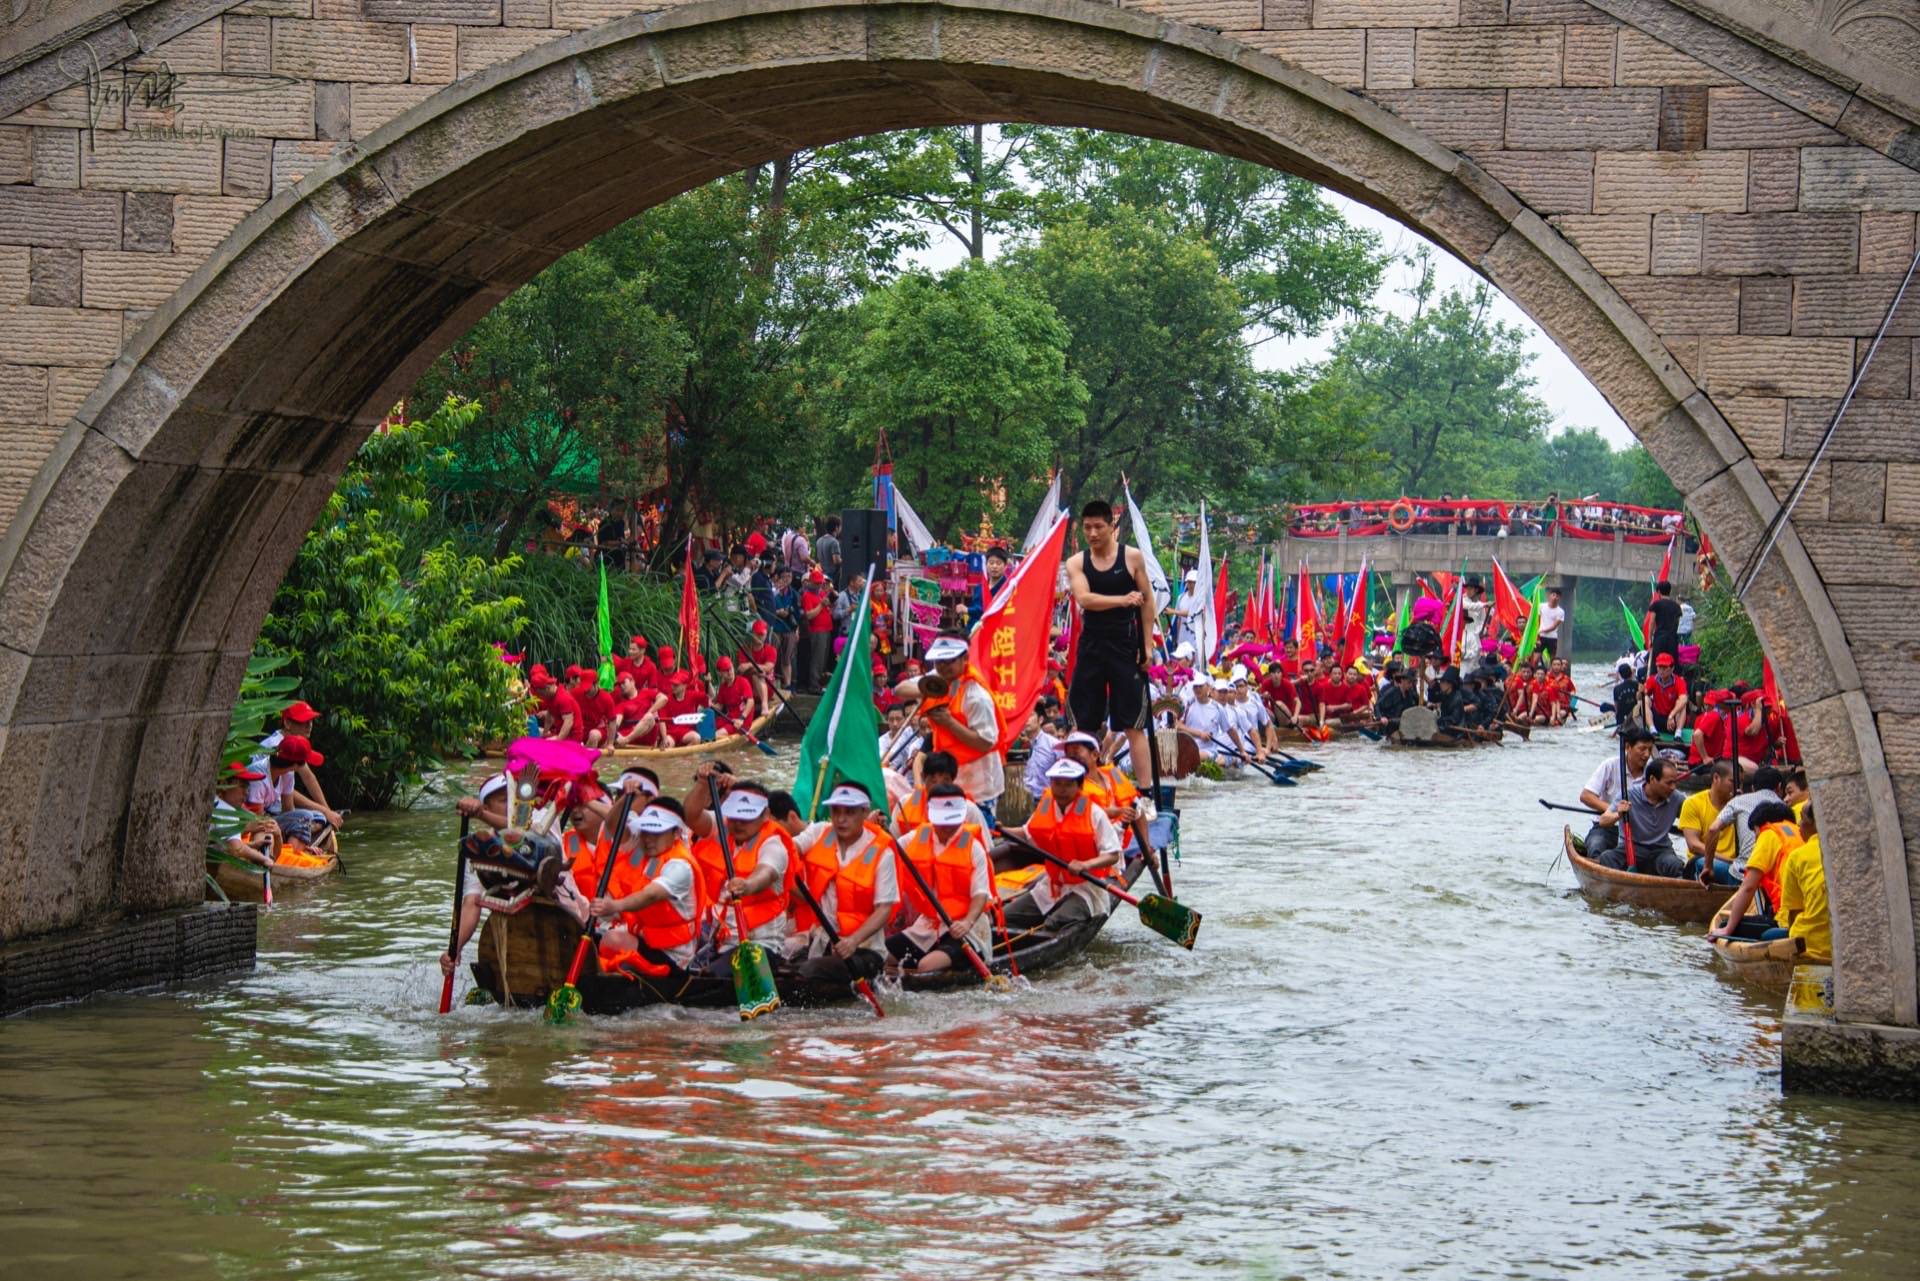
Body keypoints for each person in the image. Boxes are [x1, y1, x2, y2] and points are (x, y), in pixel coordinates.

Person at [1063, 500, 1159, 792]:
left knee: (1133, 725)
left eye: (1098, 527)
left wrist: (1148, 646)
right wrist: (1122, 600)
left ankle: (1144, 792)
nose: (1092, 533)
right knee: (1083, 725)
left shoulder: (1132, 558)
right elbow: (1085, 599)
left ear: (1111, 527)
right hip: (1092, 647)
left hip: (1125, 647)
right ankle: (1077, 787)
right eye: (1087, 528)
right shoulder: (1077, 562)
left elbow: (1147, 603)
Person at [787, 781, 898, 986]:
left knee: (807, 974)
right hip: (822, 942)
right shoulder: (819, 832)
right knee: (785, 966)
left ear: (865, 812)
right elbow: (787, 847)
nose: (841, 819)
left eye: (849, 812)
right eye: (836, 811)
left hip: (864, 950)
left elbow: (884, 909)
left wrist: (853, 941)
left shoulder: (882, 853)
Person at [582, 798, 708, 978]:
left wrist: (615, 906)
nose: (648, 839)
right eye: (646, 831)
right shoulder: (645, 849)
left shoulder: (679, 866)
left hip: (673, 957)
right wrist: (621, 797)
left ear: (676, 833)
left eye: (657, 832)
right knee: (591, 938)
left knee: (611, 940)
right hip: (646, 939)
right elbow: (613, 822)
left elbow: (651, 895)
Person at [896, 635, 1004, 822]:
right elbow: (900, 690)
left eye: (949, 660)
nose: (944, 666)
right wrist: (929, 689)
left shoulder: (977, 696)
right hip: (948, 779)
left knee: (973, 837)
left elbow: (986, 743)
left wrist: (950, 723)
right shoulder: (937, 678)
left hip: (978, 785)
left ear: (965, 659)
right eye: (939, 660)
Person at [1002, 759, 1122, 926]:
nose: (1062, 790)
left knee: (1054, 923)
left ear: (1079, 787)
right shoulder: (1046, 807)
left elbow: (1112, 854)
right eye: (1057, 784)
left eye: (1068, 784)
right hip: (1052, 885)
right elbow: (1026, 832)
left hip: (1086, 887)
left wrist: (1085, 865)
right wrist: (1002, 829)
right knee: (1004, 916)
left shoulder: (1094, 813)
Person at [888, 786, 993, 975]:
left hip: (966, 926)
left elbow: (981, 895)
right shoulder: (914, 839)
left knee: (925, 967)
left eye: (952, 820)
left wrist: (967, 923)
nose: (947, 827)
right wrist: (873, 826)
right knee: (883, 956)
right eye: (942, 821)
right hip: (929, 924)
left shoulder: (974, 848)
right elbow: (887, 848)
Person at [709, 782, 799, 962]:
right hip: (725, 939)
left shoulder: (774, 845)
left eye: (747, 817)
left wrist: (747, 885)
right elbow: (692, 815)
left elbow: (766, 872)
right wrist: (704, 784)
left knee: (718, 975)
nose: (738, 823)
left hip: (762, 945)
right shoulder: (723, 832)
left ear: (765, 815)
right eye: (734, 817)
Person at [1705, 800, 1800, 942]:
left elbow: (1748, 887)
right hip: (1806, 919)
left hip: (1788, 922)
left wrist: (1728, 929)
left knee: (1724, 925)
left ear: (1761, 825)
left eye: (1755, 832)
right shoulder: (1800, 832)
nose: (1756, 839)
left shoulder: (1769, 833)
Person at [1588, 756, 1688, 877]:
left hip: (1660, 851)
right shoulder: (1628, 795)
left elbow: (1691, 818)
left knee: (1676, 865)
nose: (1673, 787)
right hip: (1631, 848)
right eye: (1669, 783)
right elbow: (1603, 821)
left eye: (1675, 782)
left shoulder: (1677, 798)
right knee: (1607, 858)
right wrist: (1618, 814)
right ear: (1652, 779)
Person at [1578, 726, 1657, 862]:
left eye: (1650, 750)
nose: (1646, 755)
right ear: (1628, 747)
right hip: (1607, 827)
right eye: (1642, 749)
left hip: (1639, 832)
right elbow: (1586, 796)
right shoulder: (1610, 765)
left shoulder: (1653, 772)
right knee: (1596, 846)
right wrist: (1613, 810)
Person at [1700, 765, 1785, 876]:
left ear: (1753, 787)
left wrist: (1708, 867)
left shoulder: (1738, 801)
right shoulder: (1786, 808)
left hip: (1742, 873)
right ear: (1779, 787)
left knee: (1697, 863)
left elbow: (1713, 829)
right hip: (1776, 875)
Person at [1777, 803, 1829, 962]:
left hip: (1809, 945)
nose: (1799, 824)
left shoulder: (1798, 856)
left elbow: (1793, 912)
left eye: (1803, 818)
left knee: (1768, 935)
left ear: (1816, 822)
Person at [891, 749, 988, 832]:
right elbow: (894, 843)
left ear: (953, 780)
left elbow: (986, 850)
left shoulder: (968, 810)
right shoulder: (905, 803)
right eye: (933, 780)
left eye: (945, 781)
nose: (938, 786)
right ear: (923, 777)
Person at [1679, 760, 1740, 884]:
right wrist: (1728, 860)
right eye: (1733, 782)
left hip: (1734, 864)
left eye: (1741, 783)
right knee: (1732, 872)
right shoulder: (1693, 803)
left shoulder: (1740, 805)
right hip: (1702, 861)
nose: (1737, 787)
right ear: (1716, 778)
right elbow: (1694, 845)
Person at [799, 568, 834, 693]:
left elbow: (828, 607)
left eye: (821, 583)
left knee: (823, 658)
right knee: (817, 659)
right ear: (811, 582)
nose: (819, 585)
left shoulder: (821, 593)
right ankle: (813, 685)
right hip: (817, 630)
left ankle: (820, 683)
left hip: (826, 629)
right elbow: (809, 615)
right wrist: (821, 605)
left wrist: (829, 604)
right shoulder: (807, 595)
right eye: (817, 583)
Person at [1640, 652, 1689, 735]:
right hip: (1657, 718)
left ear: (1672, 668)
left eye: (1665, 667)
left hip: (1672, 720)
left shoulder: (1679, 681)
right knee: (1645, 699)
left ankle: (1678, 733)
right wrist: (1640, 691)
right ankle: (1652, 729)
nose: (1662, 670)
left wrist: (1671, 715)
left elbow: (1684, 699)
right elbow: (1639, 696)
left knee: (1682, 704)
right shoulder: (1652, 680)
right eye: (1659, 667)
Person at [1645, 580, 1682, 666]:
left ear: (1658, 591)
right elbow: (1677, 623)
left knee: (1658, 663)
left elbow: (1652, 622)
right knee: (1671, 663)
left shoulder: (1656, 604)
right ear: (1669, 591)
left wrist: (1650, 639)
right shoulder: (1676, 606)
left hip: (1659, 638)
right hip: (1672, 639)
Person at [1536, 589, 1564, 660]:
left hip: (1552, 638)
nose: (1555, 597)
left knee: (1552, 659)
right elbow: (1537, 620)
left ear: (1560, 598)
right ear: (1549, 596)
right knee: (1535, 658)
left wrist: (1542, 630)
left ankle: (1551, 671)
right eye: (1553, 595)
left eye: (1557, 596)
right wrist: (1537, 633)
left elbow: (1554, 627)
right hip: (1540, 637)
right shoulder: (1541, 606)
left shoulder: (1560, 611)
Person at [816, 515, 843, 586]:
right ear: (836, 528)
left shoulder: (819, 540)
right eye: (840, 526)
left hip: (822, 574)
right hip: (832, 576)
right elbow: (836, 561)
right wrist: (845, 560)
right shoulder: (834, 542)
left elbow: (819, 558)